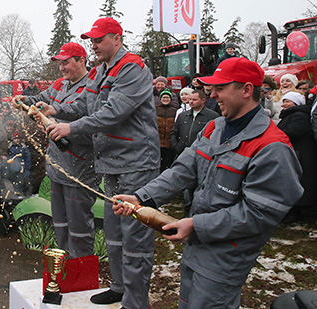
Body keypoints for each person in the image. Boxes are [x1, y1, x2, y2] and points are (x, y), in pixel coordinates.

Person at [113, 57, 303, 308]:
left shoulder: (271, 146)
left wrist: (197, 225)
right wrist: (142, 197)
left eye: (221, 88)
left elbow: (259, 213)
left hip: (226, 255)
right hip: (197, 245)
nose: (213, 94)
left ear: (246, 90)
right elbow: (183, 169)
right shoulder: (215, 127)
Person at [38, 17, 161, 308]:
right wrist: (56, 108)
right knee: (115, 233)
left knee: (134, 237)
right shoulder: (98, 71)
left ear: (117, 38)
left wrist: (71, 128)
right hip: (110, 163)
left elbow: (114, 112)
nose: (94, 46)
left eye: (99, 40)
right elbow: (85, 105)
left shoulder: (132, 67)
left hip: (135, 162)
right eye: (91, 41)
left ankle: (136, 301)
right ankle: (119, 287)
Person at [12, 42, 99, 258]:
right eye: (60, 63)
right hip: (56, 165)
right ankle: (62, 265)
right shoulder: (60, 84)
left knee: (79, 226)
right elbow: (42, 98)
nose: (62, 68)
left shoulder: (93, 85)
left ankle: (81, 269)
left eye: (66, 62)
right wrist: (24, 100)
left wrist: (57, 110)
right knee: (59, 222)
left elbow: (82, 110)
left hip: (80, 166)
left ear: (81, 60)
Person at [277, 91, 317, 223]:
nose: (284, 104)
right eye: (283, 101)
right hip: (296, 154)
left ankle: (301, 213)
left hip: (301, 155)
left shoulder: (299, 115)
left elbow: (293, 132)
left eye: (288, 101)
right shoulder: (292, 115)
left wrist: (273, 134)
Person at [156, 89, 177, 172]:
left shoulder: (175, 110)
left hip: (169, 144)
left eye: (167, 97)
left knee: (167, 164)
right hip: (158, 143)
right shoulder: (156, 109)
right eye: (163, 97)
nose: (165, 99)